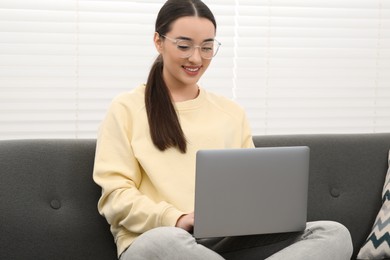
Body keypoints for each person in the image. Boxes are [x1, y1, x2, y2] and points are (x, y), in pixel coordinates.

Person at [93, 0, 353, 259]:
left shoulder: (231, 113)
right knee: (167, 240)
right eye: (184, 46)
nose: (196, 58)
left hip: (221, 242)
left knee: (334, 233)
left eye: (207, 47)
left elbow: (252, 188)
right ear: (158, 42)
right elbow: (115, 198)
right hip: (158, 241)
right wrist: (175, 218)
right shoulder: (126, 108)